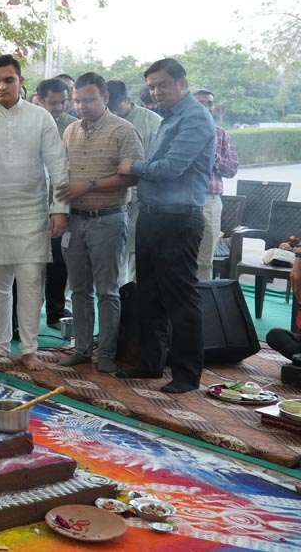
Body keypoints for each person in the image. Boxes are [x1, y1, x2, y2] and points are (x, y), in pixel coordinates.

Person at [117, 58, 215, 393]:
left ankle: (187, 376)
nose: (156, 92)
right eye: (152, 86)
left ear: (182, 82)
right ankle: (150, 364)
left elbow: (171, 168)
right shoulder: (169, 118)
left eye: (163, 85)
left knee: (181, 299)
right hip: (153, 215)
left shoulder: (196, 118)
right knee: (149, 295)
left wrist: (135, 166)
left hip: (179, 219)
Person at [0, 55, 68, 372]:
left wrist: (59, 209)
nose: (1, 86)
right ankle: (0, 349)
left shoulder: (40, 118)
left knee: (29, 284)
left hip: (31, 212)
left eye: (8, 80)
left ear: (20, 81)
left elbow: (57, 165)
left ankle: (29, 350)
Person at [55, 73, 143, 374]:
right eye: (77, 100)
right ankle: (81, 348)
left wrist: (89, 185)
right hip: (75, 220)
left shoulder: (124, 130)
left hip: (108, 219)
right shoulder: (70, 131)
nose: (82, 106)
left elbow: (133, 176)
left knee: (107, 290)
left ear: (105, 98)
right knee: (79, 291)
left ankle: (106, 352)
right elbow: (62, 175)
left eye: (89, 99)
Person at [108, 79, 161, 281]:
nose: (115, 115)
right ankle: (118, 308)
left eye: (117, 109)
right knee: (114, 260)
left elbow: (156, 165)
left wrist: (134, 194)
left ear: (128, 100)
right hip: (113, 200)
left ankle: (136, 308)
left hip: (145, 200)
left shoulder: (153, 122)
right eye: (109, 110)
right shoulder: (103, 121)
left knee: (139, 259)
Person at [37, 77, 78, 327]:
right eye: (53, 103)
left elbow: (68, 169)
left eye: (64, 102)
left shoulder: (73, 126)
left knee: (58, 260)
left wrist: (61, 209)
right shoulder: (30, 120)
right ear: (41, 100)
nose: (59, 107)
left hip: (59, 203)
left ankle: (55, 311)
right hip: (29, 202)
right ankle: (19, 318)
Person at [193, 89, 239, 280]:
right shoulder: (179, 132)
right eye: (201, 103)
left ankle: (203, 307)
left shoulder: (220, 134)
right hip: (181, 202)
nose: (206, 107)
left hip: (209, 202)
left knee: (204, 260)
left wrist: (212, 157)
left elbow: (231, 169)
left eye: (210, 103)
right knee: (178, 257)